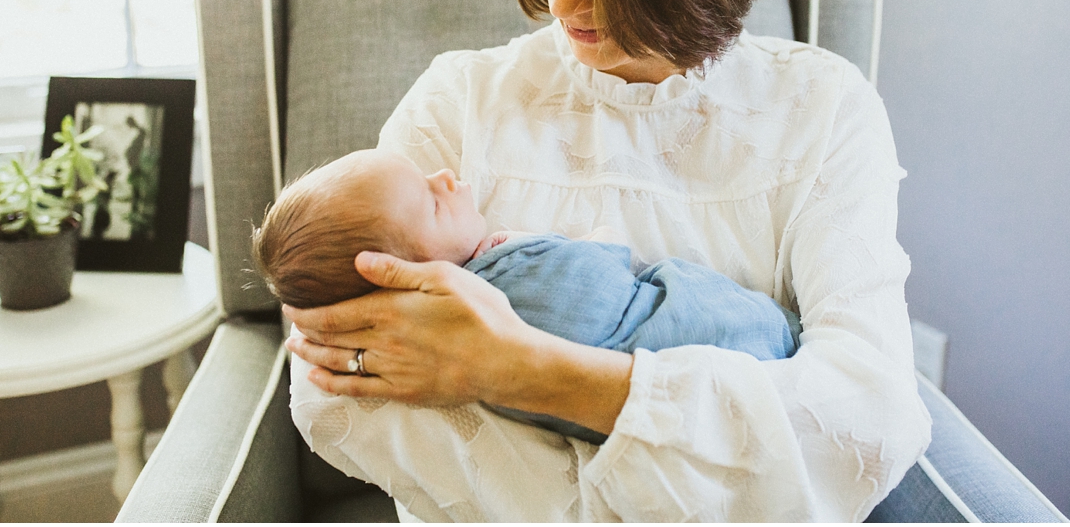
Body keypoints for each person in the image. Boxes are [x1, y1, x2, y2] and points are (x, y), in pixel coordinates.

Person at [284, 0, 931, 521]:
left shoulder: (822, 111)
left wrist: (519, 372)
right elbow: (334, 390)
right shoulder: (461, 100)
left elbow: (865, 414)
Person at [253, 146, 800, 445]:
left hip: (757, 393)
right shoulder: (504, 288)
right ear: (400, 280)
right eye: (431, 201)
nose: (445, 175)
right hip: (743, 342)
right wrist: (563, 247)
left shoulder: (488, 275)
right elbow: (600, 287)